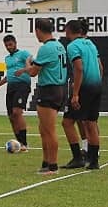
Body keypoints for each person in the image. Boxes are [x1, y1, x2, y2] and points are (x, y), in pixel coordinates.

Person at [26, 18, 67, 176]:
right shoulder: (59, 45)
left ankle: (53, 165)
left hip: (49, 89)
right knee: (43, 128)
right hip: (59, 89)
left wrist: (28, 63)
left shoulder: (46, 48)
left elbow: (33, 72)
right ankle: (46, 162)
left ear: (38, 30)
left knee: (49, 130)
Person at [62, 19, 102, 170]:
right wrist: (97, 83)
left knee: (67, 122)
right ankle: (93, 161)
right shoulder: (90, 44)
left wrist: (76, 94)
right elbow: (100, 66)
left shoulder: (73, 46)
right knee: (91, 123)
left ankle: (77, 157)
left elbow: (78, 68)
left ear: (70, 30)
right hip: (96, 86)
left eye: (66, 29)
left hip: (84, 88)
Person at [0, 35, 32, 151]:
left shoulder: (24, 54)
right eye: (6, 45)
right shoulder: (7, 59)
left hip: (22, 85)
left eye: (10, 44)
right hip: (11, 87)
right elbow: (9, 75)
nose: (9, 47)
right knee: (11, 116)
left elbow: (34, 65)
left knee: (17, 112)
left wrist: (23, 70)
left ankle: (24, 143)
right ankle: (18, 143)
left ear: (15, 43)